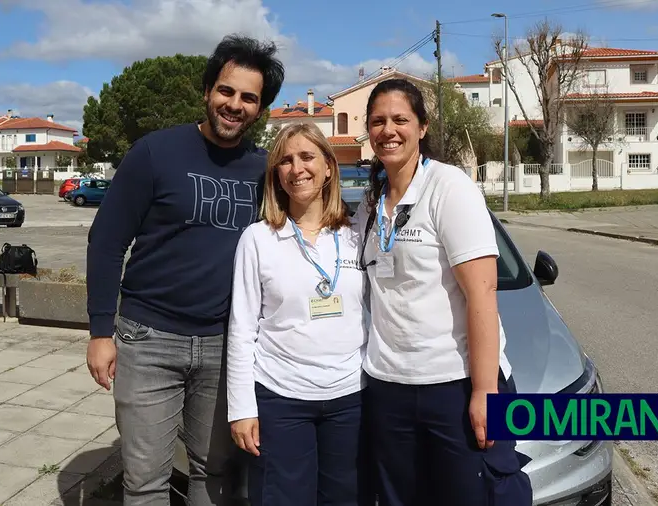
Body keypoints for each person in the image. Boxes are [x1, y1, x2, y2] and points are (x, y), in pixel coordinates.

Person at [85, 34, 285, 506]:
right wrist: (98, 331)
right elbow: (107, 241)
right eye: (226, 91)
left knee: (215, 473)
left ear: (260, 109)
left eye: (248, 98)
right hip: (147, 339)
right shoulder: (156, 153)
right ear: (208, 91)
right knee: (146, 479)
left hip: (225, 345)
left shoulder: (266, 172)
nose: (234, 105)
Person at [354, 78, 534, 506]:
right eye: (378, 121)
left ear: (422, 127)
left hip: (453, 384)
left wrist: (484, 392)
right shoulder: (371, 201)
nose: (388, 130)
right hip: (388, 385)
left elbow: (483, 294)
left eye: (400, 119)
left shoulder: (449, 187)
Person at [226, 122, 370, 506]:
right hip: (281, 399)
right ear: (276, 174)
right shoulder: (258, 239)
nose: (296, 168)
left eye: (307, 157)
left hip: (350, 398)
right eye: (285, 161)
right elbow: (241, 331)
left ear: (328, 167)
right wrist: (241, 409)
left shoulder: (357, 234)